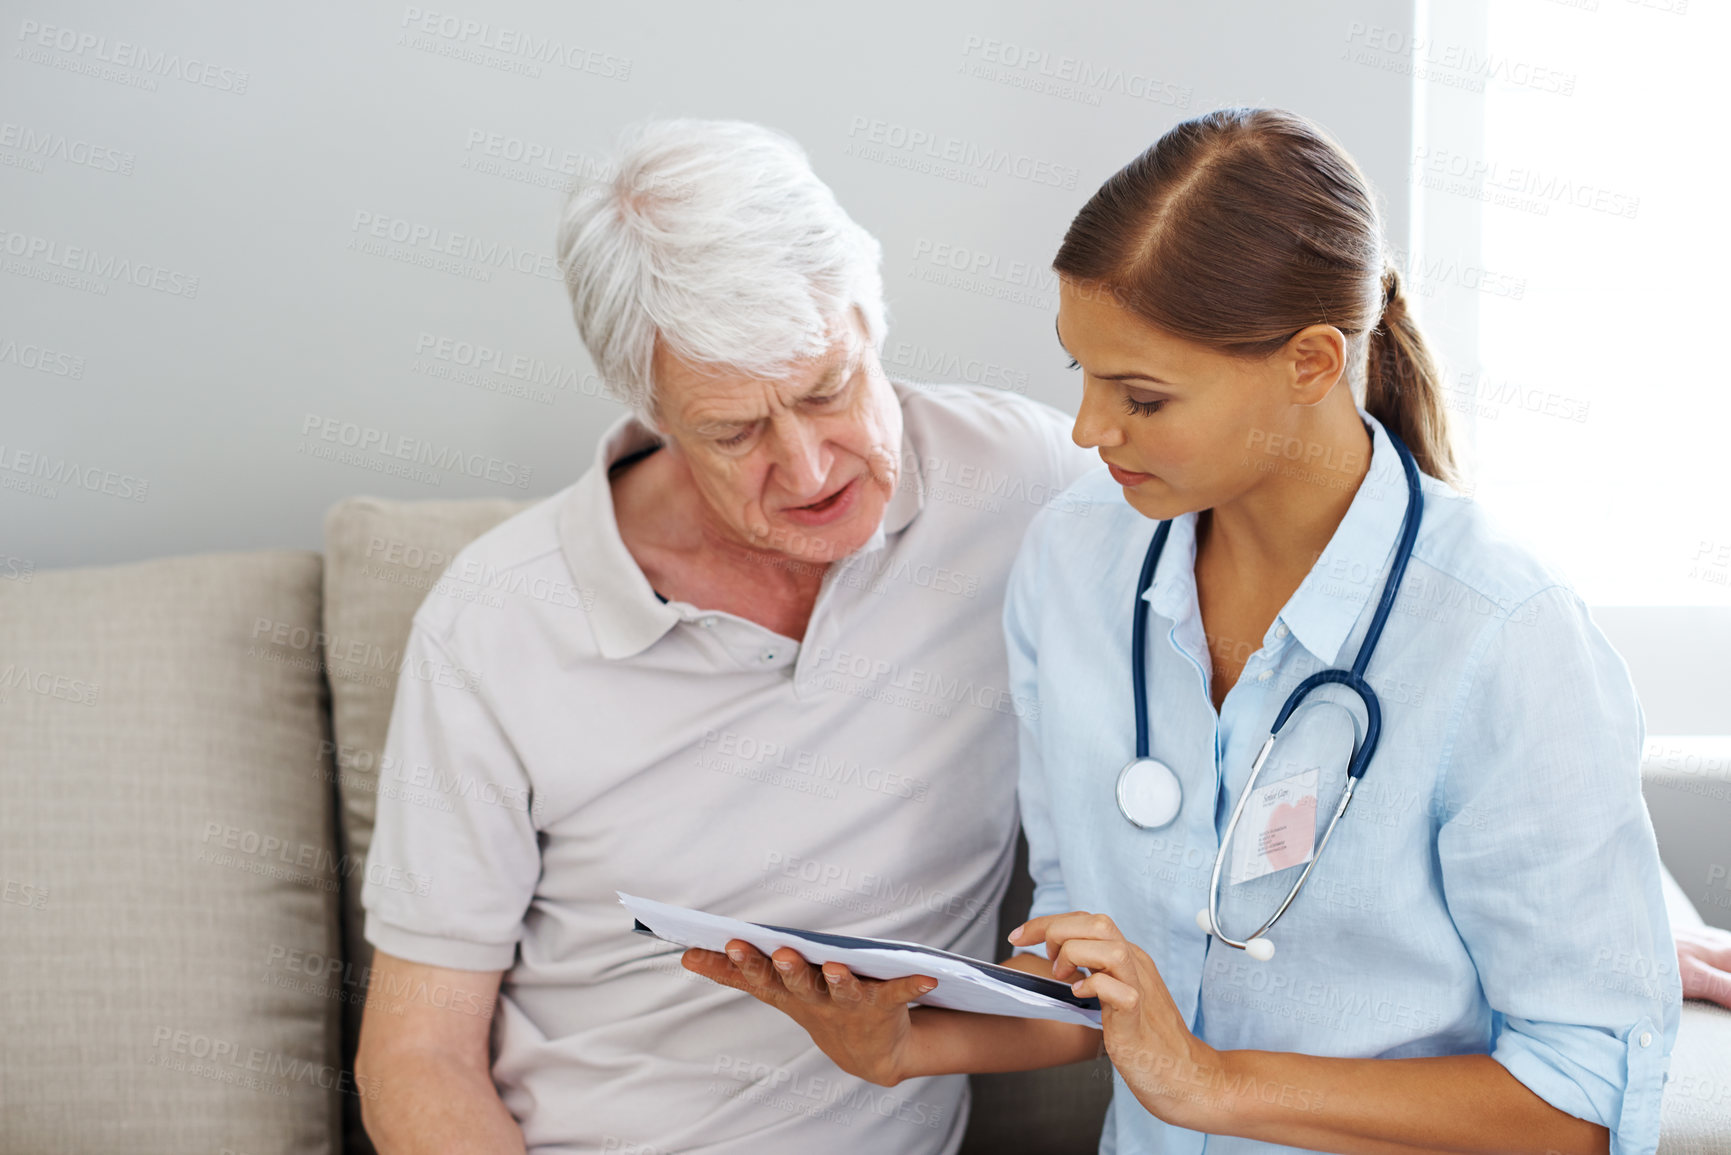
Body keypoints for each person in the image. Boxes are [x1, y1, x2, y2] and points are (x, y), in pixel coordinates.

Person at [682, 108, 1683, 1155]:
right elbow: (1087, 971)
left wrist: (1213, 1085)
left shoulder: (1503, 634)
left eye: (1143, 398)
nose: (1087, 429)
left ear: (1308, 364)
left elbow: (1580, 1107)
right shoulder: (1074, 562)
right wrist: (903, 1042)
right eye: (1081, 371)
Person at [350, 118, 1095, 1154]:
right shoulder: (499, 617)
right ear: (651, 409)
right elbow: (417, 1054)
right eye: (736, 432)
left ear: (872, 324)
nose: (808, 469)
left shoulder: (1025, 486)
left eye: (829, 390)